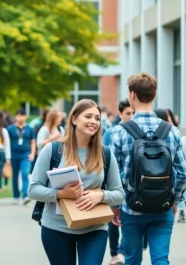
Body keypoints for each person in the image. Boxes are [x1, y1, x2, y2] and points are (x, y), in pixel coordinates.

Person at [28, 99, 124, 265]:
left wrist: (101, 195)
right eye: (88, 116)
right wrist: (60, 194)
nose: (93, 122)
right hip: (56, 229)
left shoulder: (105, 153)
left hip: (94, 228)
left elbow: (119, 193)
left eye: (97, 118)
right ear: (74, 119)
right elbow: (33, 189)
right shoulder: (52, 150)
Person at [110, 72, 186, 265]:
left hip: (131, 207)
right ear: (154, 94)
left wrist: (115, 206)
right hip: (163, 207)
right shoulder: (172, 132)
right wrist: (175, 201)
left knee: (132, 259)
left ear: (132, 95)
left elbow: (112, 174)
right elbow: (183, 173)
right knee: (160, 259)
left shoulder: (120, 131)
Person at [103, 99, 133, 265]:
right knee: (113, 222)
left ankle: (122, 252)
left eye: (133, 113)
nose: (131, 116)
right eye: (128, 113)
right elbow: (105, 160)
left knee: (130, 223)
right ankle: (115, 253)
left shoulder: (138, 132)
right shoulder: (111, 133)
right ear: (120, 114)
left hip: (132, 187)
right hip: (114, 185)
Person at [7, 109, 36, 205]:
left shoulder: (29, 129)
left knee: (25, 173)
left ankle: (25, 195)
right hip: (13, 155)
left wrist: (32, 153)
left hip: (25, 155)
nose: (21, 117)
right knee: (15, 176)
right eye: (19, 115)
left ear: (26, 116)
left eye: (23, 115)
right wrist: (7, 157)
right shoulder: (10, 129)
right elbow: (7, 143)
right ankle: (15, 196)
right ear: (16, 116)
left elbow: (33, 142)